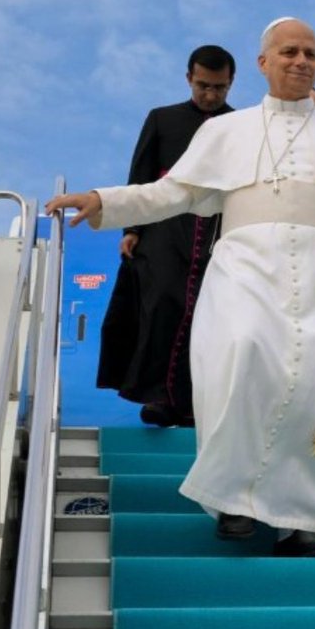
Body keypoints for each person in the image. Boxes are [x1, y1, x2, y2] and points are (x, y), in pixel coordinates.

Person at [47, 18, 315, 558]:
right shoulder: (223, 133)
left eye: (310, 53)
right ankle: (235, 500)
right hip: (246, 268)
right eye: (288, 52)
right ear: (263, 62)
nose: (301, 61)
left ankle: (303, 521)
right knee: (241, 356)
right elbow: (173, 193)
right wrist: (105, 201)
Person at [97, 44, 236, 427]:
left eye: (219, 88)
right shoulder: (161, 118)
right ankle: (159, 398)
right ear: (189, 78)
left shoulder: (240, 126)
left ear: (231, 84)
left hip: (217, 230)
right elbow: (140, 175)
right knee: (161, 307)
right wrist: (131, 229)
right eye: (203, 86)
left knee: (207, 314)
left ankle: (195, 405)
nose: (210, 95)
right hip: (163, 227)